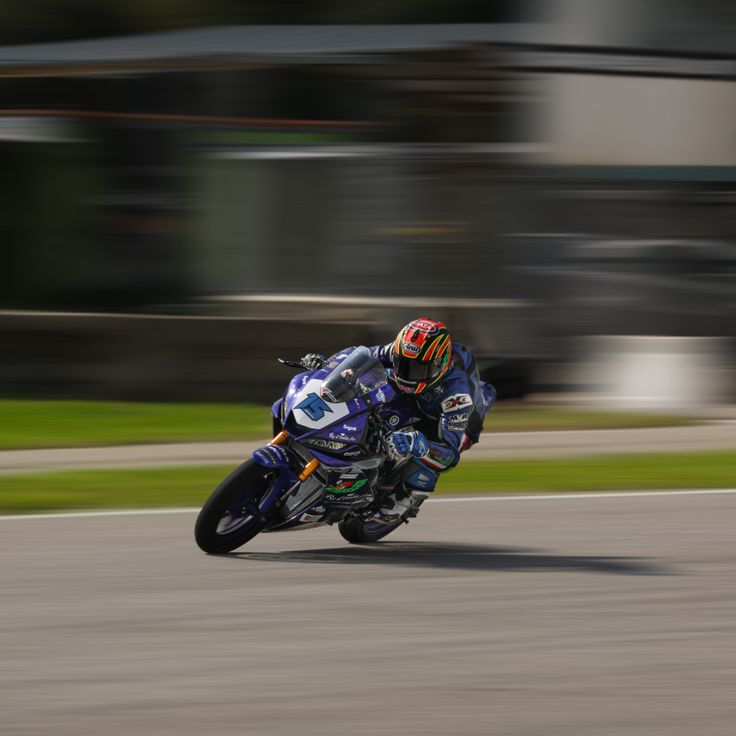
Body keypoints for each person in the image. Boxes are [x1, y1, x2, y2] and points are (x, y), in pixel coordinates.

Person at [302, 318, 496, 522]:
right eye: (402, 365)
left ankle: (405, 497)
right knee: (372, 395)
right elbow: (359, 356)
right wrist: (329, 365)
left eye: (417, 369)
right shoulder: (398, 350)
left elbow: (448, 456)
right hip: (415, 397)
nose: (408, 374)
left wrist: (419, 445)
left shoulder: (457, 395)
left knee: (425, 450)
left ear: (439, 365)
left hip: (449, 416)